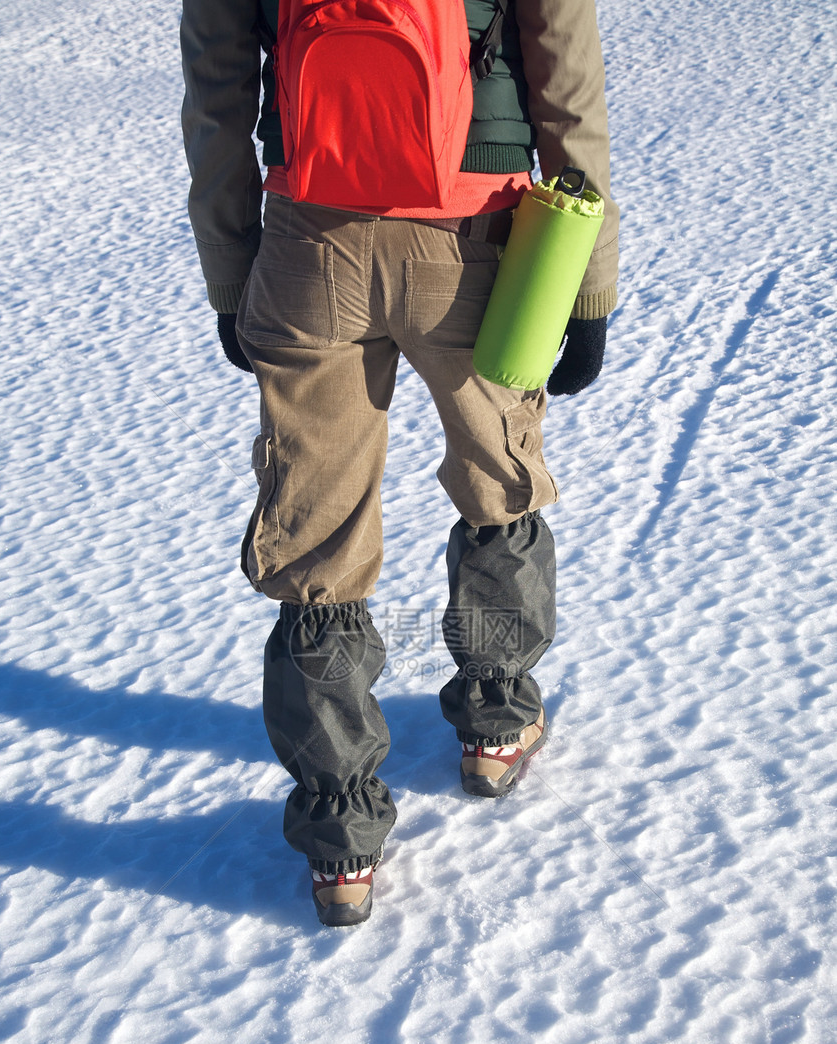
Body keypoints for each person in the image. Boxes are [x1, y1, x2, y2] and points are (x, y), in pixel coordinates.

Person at [180, 0, 619, 926]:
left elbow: (218, 94)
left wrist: (232, 272)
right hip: (476, 241)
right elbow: (564, 77)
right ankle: (497, 724)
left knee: (316, 537)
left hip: (309, 245)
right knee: (499, 480)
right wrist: (586, 281)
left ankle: (341, 838)